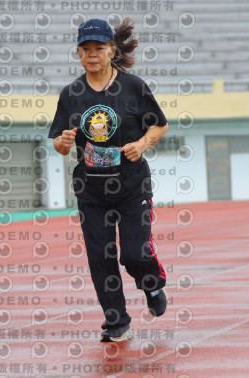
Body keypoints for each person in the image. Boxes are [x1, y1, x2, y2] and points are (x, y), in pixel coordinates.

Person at [48, 18, 169, 342]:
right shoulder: (71, 94)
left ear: (112, 51)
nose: (92, 54)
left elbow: (159, 125)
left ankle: (152, 284)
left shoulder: (133, 87)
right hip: (91, 190)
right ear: (78, 53)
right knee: (100, 258)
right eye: (85, 49)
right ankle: (116, 322)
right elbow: (59, 142)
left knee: (134, 254)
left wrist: (141, 145)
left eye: (99, 48)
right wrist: (63, 141)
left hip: (132, 187)